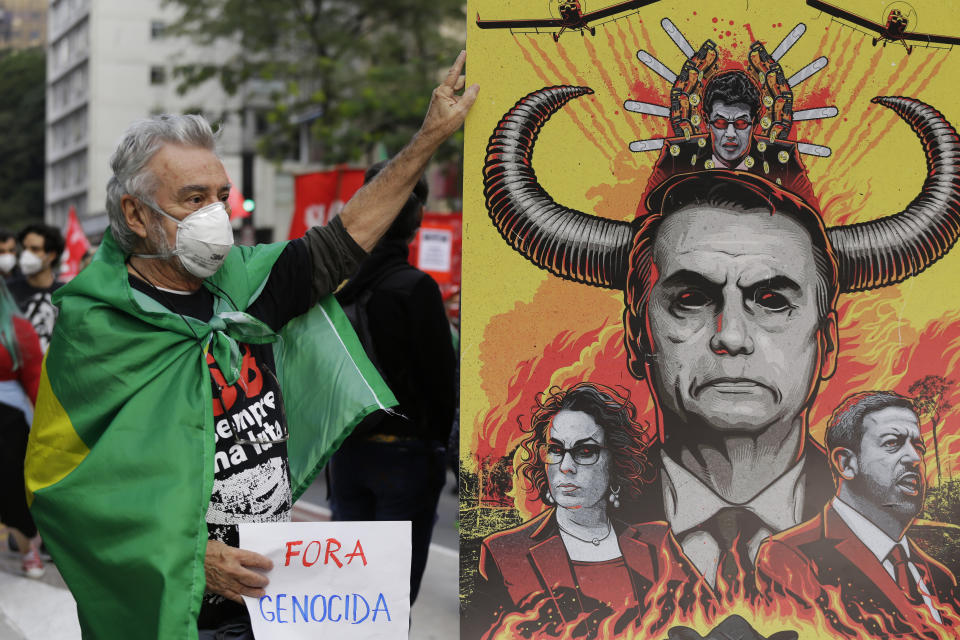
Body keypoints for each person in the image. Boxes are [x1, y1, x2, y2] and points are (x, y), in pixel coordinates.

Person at [24, 52, 477, 639]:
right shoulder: (96, 328)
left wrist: (428, 138)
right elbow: (64, 492)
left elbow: (342, 243)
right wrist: (193, 557)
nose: (216, 214)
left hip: (273, 606)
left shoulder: (244, 284)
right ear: (136, 213)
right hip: (176, 614)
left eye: (222, 195)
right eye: (193, 199)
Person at [480, 86, 960, 598]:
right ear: (638, 334)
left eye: (773, 300)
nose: (730, 336)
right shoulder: (523, 561)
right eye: (690, 297)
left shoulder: (916, 572)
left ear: (827, 341)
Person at [467, 383, 705, 637]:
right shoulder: (506, 552)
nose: (566, 466)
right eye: (556, 450)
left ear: (615, 462)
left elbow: (700, 621)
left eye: (585, 451)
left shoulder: (659, 544)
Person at [329, 161, 457, 606]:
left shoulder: (333, 286)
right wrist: (437, 450)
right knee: (390, 599)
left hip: (346, 454)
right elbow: (442, 384)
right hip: (405, 457)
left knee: (353, 599)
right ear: (415, 222)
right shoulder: (414, 288)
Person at [755, 391, 959, 637]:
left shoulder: (940, 577)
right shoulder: (791, 557)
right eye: (893, 443)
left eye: (918, 446)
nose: (915, 458)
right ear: (846, 463)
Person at [642, 70, 815, 205]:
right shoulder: (677, 158)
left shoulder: (783, 161)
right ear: (706, 120)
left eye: (740, 124)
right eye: (720, 123)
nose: (730, 134)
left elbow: (811, 225)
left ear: (754, 124)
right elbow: (643, 222)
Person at [0, 279, 43, 578]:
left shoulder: (17, 330)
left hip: (9, 425)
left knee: (11, 491)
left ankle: (29, 549)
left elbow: (36, 383)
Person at [8, 223, 65, 352]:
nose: (27, 255)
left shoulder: (66, 294)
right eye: (25, 248)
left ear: (51, 255)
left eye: (35, 249)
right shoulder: (7, 292)